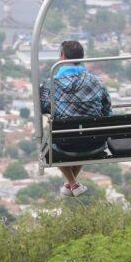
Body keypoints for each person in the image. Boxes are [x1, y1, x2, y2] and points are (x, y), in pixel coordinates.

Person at [40, 40, 111, 197]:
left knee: (54, 135)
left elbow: (44, 108)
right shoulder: (97, 82)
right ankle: (71, 184)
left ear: (62, 56)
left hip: (65, 143)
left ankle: (72, 183)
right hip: (94, 142)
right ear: (82, 57)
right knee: (84, 130)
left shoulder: (51, 84)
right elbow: (107, 111)